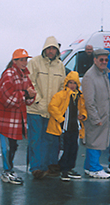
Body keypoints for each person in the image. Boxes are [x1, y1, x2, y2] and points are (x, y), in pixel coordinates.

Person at [0, 49, 36, 185]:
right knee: (7, 147)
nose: (24, 62)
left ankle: (9, 170)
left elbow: (29, 97)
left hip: (16, 118)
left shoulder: (24, 75)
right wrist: (26, 94)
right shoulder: (9, 74)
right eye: (21, 59)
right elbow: (7, 99)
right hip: (5, 118)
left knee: (13, 146)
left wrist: (30, 95)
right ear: (14, 61)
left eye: (26, 59)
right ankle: (7, 172)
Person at [26, 36, 66, 179]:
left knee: (52, 139)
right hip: (35, 109)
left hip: (52, 111)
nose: (51, 51)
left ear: (57, 50)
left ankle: (51, 166)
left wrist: (58, 105)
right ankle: (37, 168)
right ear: (44, 49)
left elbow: (63, 87)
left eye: (53, 48)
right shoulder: (35, 62)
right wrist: (39, 101)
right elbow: (29, 82)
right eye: (48, 48)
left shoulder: (60, 65)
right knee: (36, 139)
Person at [48, 71, 87, 181]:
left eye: (75, 83)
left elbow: (83, 108)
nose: (72, 85)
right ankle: (63, 170)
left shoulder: (79, 96)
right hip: (64, 128)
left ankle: (70, 168)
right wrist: (61, 119)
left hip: (75, 127)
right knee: (64, 149)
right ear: (66, 83)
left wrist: (83, 115)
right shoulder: (61, 95)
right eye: (70, 82)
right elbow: (52, 106)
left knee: (74, 149)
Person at [82, 48, 110, 179]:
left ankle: (89, 166)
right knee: (94, 142)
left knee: (96, 141)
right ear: (95, 60)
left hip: (103, 115)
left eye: (106, 60)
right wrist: (95, 118)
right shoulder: (90, 76)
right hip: (96, 117)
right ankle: (95, 168)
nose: (104, 62)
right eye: (101, 59)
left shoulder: (103, 73)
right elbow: (89, 101)